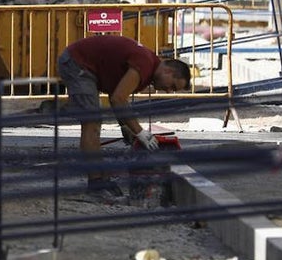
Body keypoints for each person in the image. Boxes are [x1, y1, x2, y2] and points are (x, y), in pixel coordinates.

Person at [56, 34, 190, 197]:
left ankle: (100, 179)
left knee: (94, 121)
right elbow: (118, 99)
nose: (168, 91)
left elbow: (116, 94)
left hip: (84, 64)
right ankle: (96, 184)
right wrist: (141, 133)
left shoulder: (147, 67)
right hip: (77, 63)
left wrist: (125, 126)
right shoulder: (145, 64)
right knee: (91, 122)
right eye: (172, 86)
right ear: (168, 71)